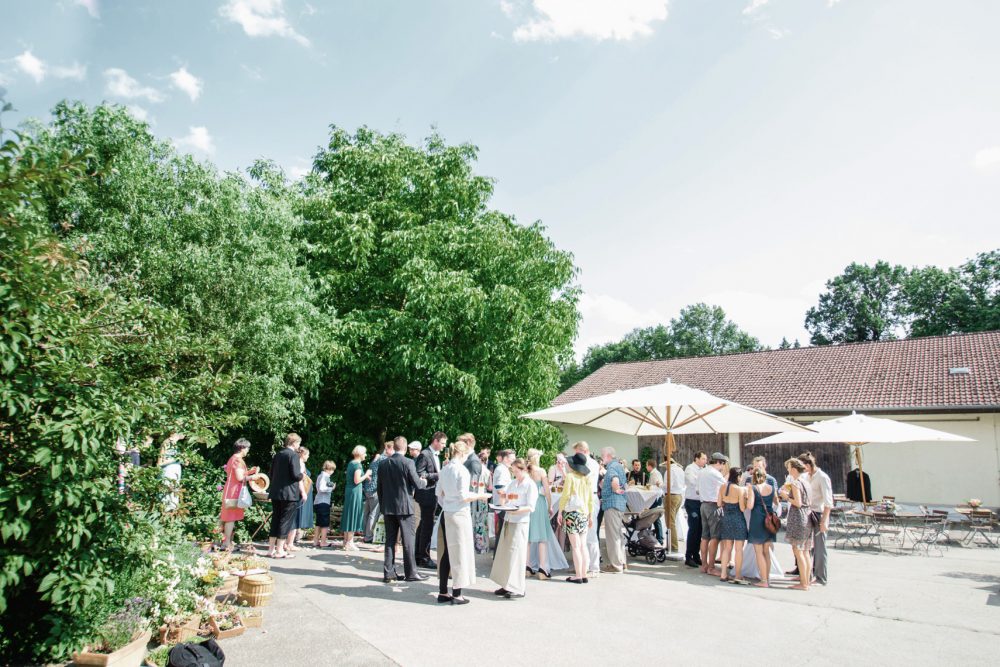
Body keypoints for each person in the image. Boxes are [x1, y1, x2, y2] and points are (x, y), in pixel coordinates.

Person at [436, 439, 491, 605]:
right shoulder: (462, 471)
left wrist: (446, 505)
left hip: (447, 513)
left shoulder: (445, 469)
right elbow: (464, 495)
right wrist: (481, 496)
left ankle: (443, 591)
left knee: (447, 552)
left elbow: (439, 493)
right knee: (460, 552)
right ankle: (457, 593)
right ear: (462, 453)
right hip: (460, 513)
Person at [377, 436, 427, 582]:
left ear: (394, 447)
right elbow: (417, 484)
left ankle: (389, 573)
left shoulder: (383, 464)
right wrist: (424, 481)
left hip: (388, 507)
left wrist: (383, 505)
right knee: (408, 541)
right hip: (405, 507)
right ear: (405, 448)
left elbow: (380, 488)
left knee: (390, 541)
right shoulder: (408, 462)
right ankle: (411, 573)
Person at [489, 458, 538, 599]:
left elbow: (530, 507)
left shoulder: (530, 485)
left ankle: (518, 587)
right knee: (506, 553)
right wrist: (503, 502)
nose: (514, 473)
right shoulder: (513, 483)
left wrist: (515, 509)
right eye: (513, 471)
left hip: (520, 522)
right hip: (509, 520)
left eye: (516, 471)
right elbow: (507, 498)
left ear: (523, 470)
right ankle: (506, 585)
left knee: (517, 554)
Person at [558, 452, 594, 583]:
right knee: (583, 545)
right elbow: (590, 499)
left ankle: (578, 575)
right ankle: (583, 574)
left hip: (572, 514)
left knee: (576, 546)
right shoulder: (587, 478)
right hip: (584, 513)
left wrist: (560, 512)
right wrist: (590, 515)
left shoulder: (570, 477)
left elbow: (565, 496)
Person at [779, 457, 814, 591]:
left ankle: (803, 583)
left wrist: (785, 496)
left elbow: (798, 503)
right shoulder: (806, 482)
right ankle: (806, 580)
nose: (788, 471)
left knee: (798, 551)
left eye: (788, 468)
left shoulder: (796, 483)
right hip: (807, 515)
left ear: (793, 469)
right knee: (805, 551)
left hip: (798, 517)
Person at [268, 433, 304, 559]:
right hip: (289, 494)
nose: (299, 445)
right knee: (285, 520)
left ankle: (271, 549)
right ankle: (279, 551)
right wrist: (302, 475)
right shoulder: (293, 455)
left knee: (276, 519)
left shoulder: (278, 454)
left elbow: (271, 473)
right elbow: (295, 475)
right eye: (298, 443)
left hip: (276, 492)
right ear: (294, 443)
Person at [219, 438, 260, 550]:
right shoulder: (237, 460)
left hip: (232, 489)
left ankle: (226, 542)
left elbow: (238, 474)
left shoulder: (234, 458)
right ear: (242, 448)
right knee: (230, 518)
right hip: (234, 491)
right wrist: (253, 477)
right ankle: (226, 543)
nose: (248, 450)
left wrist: (250, 471)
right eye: (247, 448)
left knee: (228, 517)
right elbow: (240, 477)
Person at [415, 432, 447, 568]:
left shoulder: (434, 455)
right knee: (426, 526)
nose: (444, 446)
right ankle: (423, 557)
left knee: (424, 525)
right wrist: (438, 475)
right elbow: (419, 473)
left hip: (432, 493)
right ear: (435, 441)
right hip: (426, 494)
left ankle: (419, 554)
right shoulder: (425, 454)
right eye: (443, 443)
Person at [800, 452, 832, 585]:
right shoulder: (807, 476)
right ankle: (808, 574)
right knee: (808, 546)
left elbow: (828, 502)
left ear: (808, 465)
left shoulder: (822, 477)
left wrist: (824, 520)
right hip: (808, 512)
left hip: (819, 513)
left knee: (820, 546)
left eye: (803, 467)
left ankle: (820, 577)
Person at [572, 442, 602, 578]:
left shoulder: (591, 464)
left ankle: (594, 567)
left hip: (589, 498)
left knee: (590, 533)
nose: (575, 455)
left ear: (583, 451)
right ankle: (584, 565)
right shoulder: (590, 463)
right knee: (583, 533)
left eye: (577, 452)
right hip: (585, 498)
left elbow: (584, 479)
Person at [526, 449, 555, 579]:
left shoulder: (526, 470)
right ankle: (542, 568)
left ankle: (526, 567)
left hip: (527, 503)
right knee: (542, 537)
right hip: (539, 503)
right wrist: (550, 506)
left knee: (528, 537)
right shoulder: (541, 471)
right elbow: (547, 491)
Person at [718, 466, 750, 583]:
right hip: (738, 519)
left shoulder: (722, 487)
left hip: (726, 519)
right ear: (738, 476)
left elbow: (718, 503)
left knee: (727, 548)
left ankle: (723, 574)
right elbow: (742, 508)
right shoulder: (740, 489)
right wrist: (746, 500)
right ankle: (737, 575)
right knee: (738, 549)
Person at [697, 452, 728, 576]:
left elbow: (697, 490)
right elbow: (726, 487)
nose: (723, 467)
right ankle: (711, 567)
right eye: (723, 464)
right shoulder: (715, 474)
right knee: (715, 537)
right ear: (719, 462)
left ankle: (704, 565)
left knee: (704, 537)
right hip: (713, 505)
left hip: (703, 504)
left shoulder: (702, 472)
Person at [599, 447, 628, 574]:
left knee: (612, 536)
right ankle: (622, 562)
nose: (601, 458)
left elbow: (615, 481)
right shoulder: (619, 466)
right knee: (619, 535)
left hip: (612, 503)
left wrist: (615, 489)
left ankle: (616, 565)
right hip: (620, 504)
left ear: (608, 456)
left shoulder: (611, 468)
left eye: (602, 455)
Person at [748, 467, 778, 587]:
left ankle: (763, 580)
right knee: (767, 552)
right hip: (769, 520)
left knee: (759, 552)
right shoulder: (771, 488)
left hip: (757, 520)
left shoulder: (753, 488)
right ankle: (767, 577)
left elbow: (750, 506)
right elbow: (777, 502)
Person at [341, 445, 371, 551]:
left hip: (350, 491)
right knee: (353, 514)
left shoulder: (351, 463)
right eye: (365, 453)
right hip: (354, 492)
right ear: (360, 454)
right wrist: (366, 474)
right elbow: (357, 480)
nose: (366, 455)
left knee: (349, 514)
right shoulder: (357, 465)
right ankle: (349, 542)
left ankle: (346, 541)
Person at [362, 441, 392, 543]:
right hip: (375, 489)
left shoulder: (376, 458)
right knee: (373, 513)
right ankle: (369, 536)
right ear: (389, 448)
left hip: (367, 488)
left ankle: (364, 534)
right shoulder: (385, 459)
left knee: (366, 512)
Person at [684, 452, 708, 567]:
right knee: (693, 529)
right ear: (696, 459)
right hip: (692, 502)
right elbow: (693, 482)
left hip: (700, 501)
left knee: (700, 529)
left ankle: (696, 555)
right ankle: (688, 556)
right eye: (703, 459)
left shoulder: (703, 469)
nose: (705, 461)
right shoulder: (690, 468)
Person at [288, 447, 313, 551]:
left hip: (298, 492)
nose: (308, 457)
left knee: (294, 517)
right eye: (307, 455)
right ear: (303, 454)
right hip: (298, 493)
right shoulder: (300, 464)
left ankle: (288, 542)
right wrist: (303, 492)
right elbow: (300, 480)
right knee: (294, 518)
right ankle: (289, 543)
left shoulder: (298, 463)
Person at [491, 449, 515, 551]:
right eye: (512, 459)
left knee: (501, 534)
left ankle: (498, 559)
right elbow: (499, 489)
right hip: (502, 506)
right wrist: (510, 496)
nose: (514, 461)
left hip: (502, 505)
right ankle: (498, 559)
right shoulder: (502, 469)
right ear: (505, 459)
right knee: (501, 534)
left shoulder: (503, 468)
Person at [313, 461, 336, 548]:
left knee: (319, 522)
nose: (333, 471)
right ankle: (323, 541)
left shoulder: (320, 476)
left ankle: (316, 540)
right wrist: (331, 488)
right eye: (332, 469)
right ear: (329, 469)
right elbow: (322, 488)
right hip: (323, 501)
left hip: (318, 501)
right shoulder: (325, 476)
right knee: (325, 523)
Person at [664, 458, 685, 552]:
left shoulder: (669, 470)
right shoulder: (680, 469)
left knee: (670, 522)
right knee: (673, 521)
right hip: (679, 496)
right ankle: (672, 544)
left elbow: (668, 485)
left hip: (671, 496)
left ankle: (673, 545)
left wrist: (659, 484)